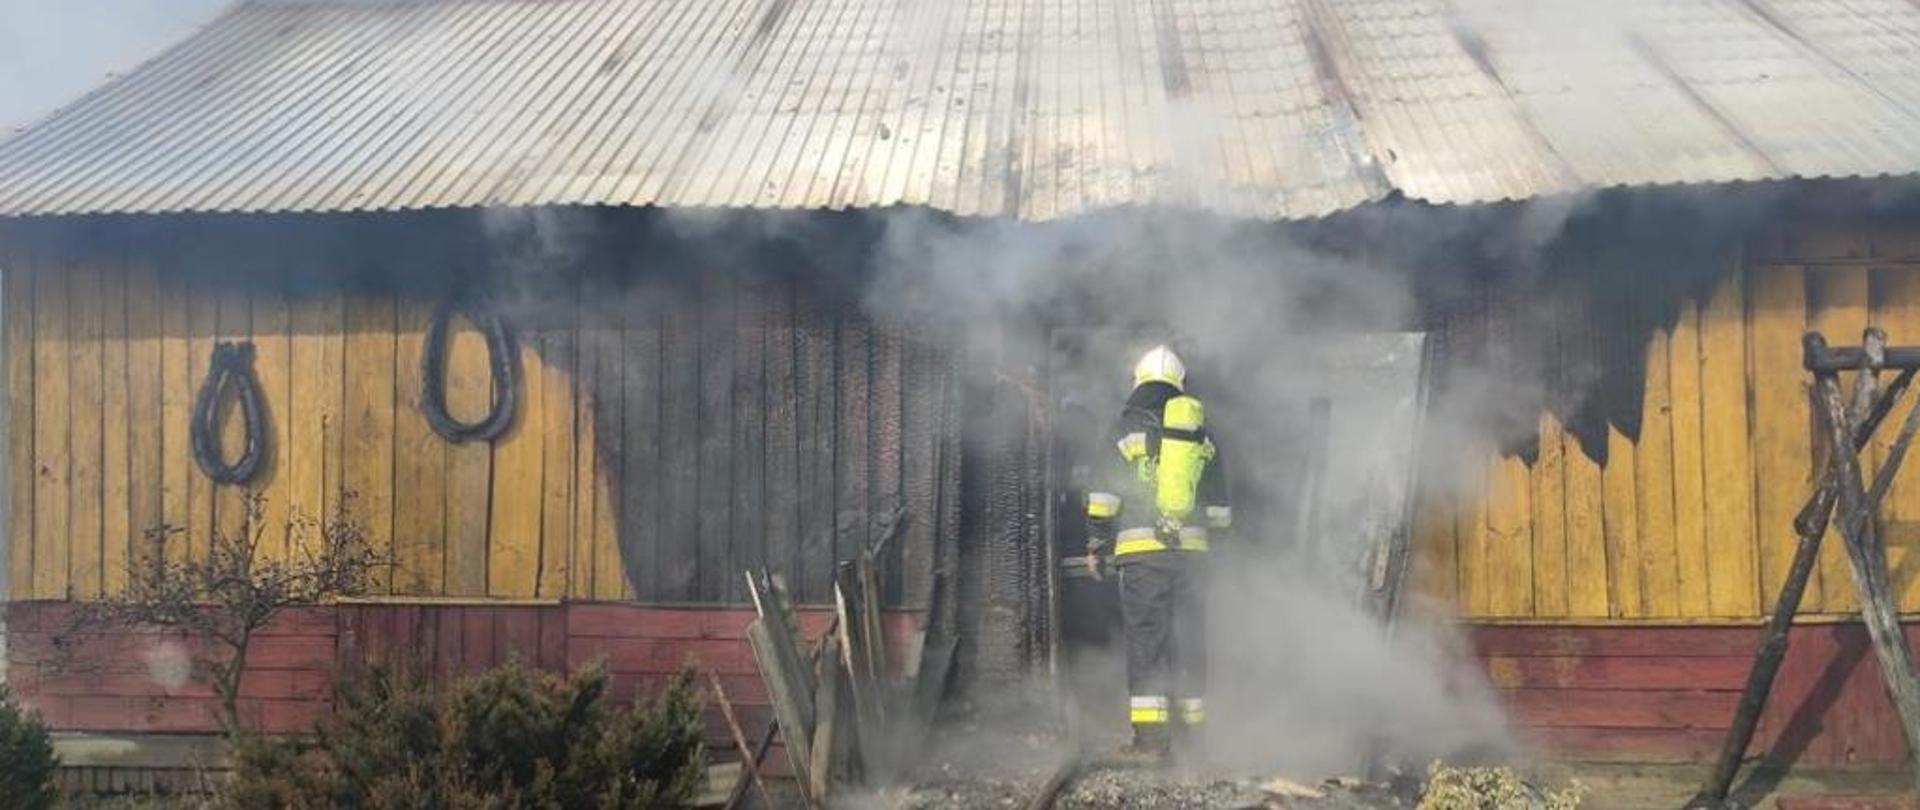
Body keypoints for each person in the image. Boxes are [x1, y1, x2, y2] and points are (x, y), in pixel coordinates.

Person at [1085, 344, 1231, 761]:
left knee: (1148, 641)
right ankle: (1194, 740)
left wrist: (1098, 540)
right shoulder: (1201, 433)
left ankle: (1151, 741)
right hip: (1192, 555)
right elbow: (1220, 505)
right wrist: (1215, 549)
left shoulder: (1123, 429)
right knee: (1190, 641)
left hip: (1142, 554)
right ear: (1179, 384)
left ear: (1138, 381)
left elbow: (1101, 497)